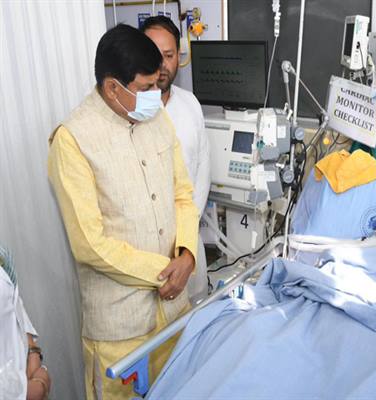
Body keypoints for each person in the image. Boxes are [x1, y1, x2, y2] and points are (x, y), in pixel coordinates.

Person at [47, 24, 199, 399]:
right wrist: (164, 272)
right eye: (145, 88)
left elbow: (183, 193)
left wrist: (188, 255)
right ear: (113, 88)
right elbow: (89, 243)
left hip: (173, 314)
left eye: (156, 86)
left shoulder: (156, 119)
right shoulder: (73, 140)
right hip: (120, 328)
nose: (155, 97)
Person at [141, 16, 210, 301]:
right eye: (152, 55)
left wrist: (186, 244)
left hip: (189, 243)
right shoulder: (131, 111)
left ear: (178, 57)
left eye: (168, 56)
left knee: (197, 313)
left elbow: (202, 172)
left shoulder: (189, 103)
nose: (161, 65)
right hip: (148, 249)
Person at [0, 246, 51, 400]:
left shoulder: (2, 253)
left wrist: (33, 352)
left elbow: (13, 301)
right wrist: (28, 390)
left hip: (27, 371)